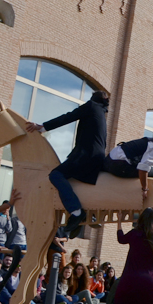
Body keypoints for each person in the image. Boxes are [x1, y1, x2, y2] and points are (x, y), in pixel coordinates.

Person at [26, 90, 110, 238]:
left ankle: (77, 212)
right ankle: (88, 213)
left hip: (86, 156)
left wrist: (43, 127)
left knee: (56, 175)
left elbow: (69, 117)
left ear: (92, 98)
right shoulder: (101, 113)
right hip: (97, 157)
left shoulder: (91, 106)